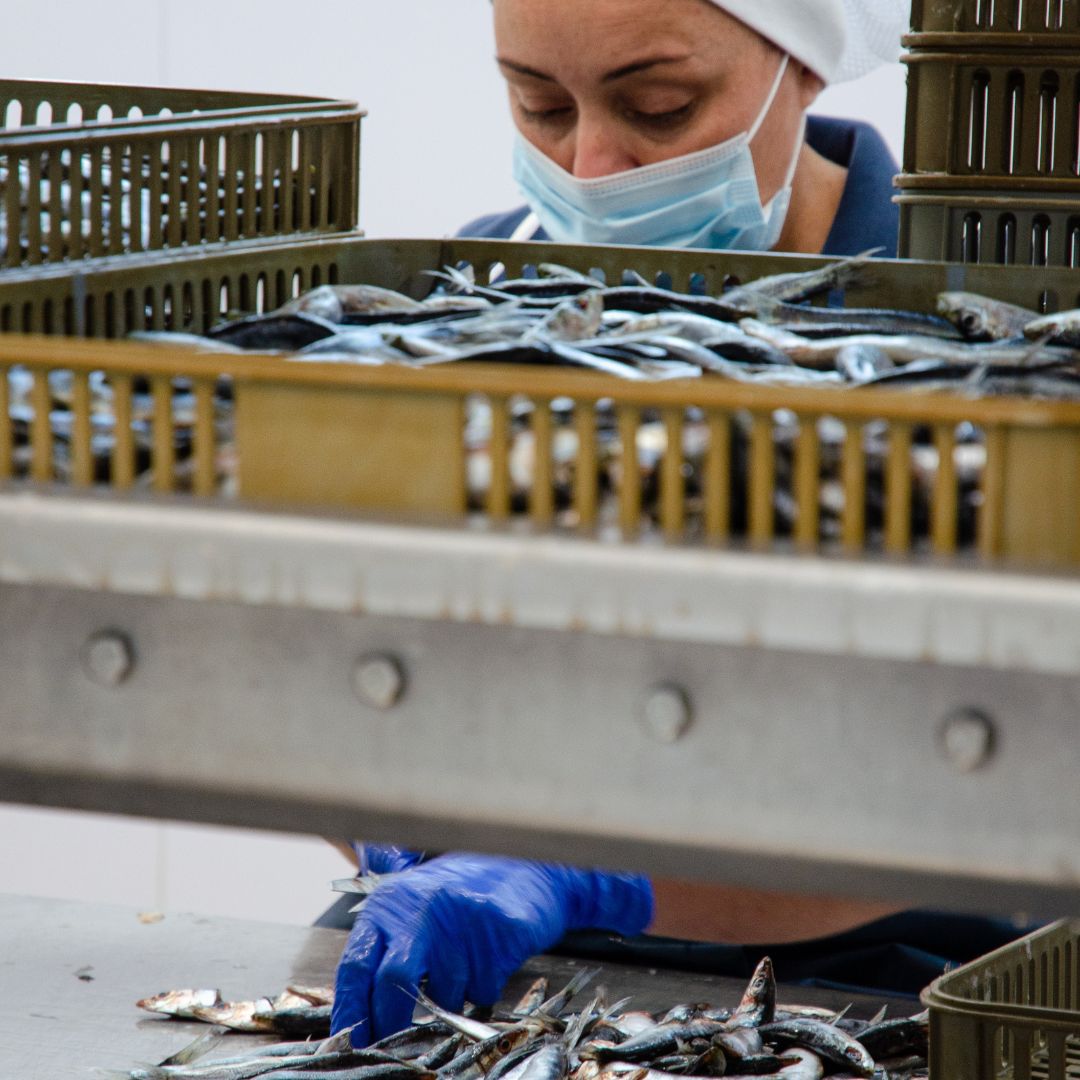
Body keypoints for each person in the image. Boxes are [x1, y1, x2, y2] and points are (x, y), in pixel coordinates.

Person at [328, 0, 1036, 1047]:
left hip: (864, 1000)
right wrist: (357, 793)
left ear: (804, 62)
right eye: (539, 105)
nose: (591, 168)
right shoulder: (464, 303)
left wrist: (591, 873)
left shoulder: (989, 328)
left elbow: (1003, 770)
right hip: (462, 974)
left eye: (658, 107)